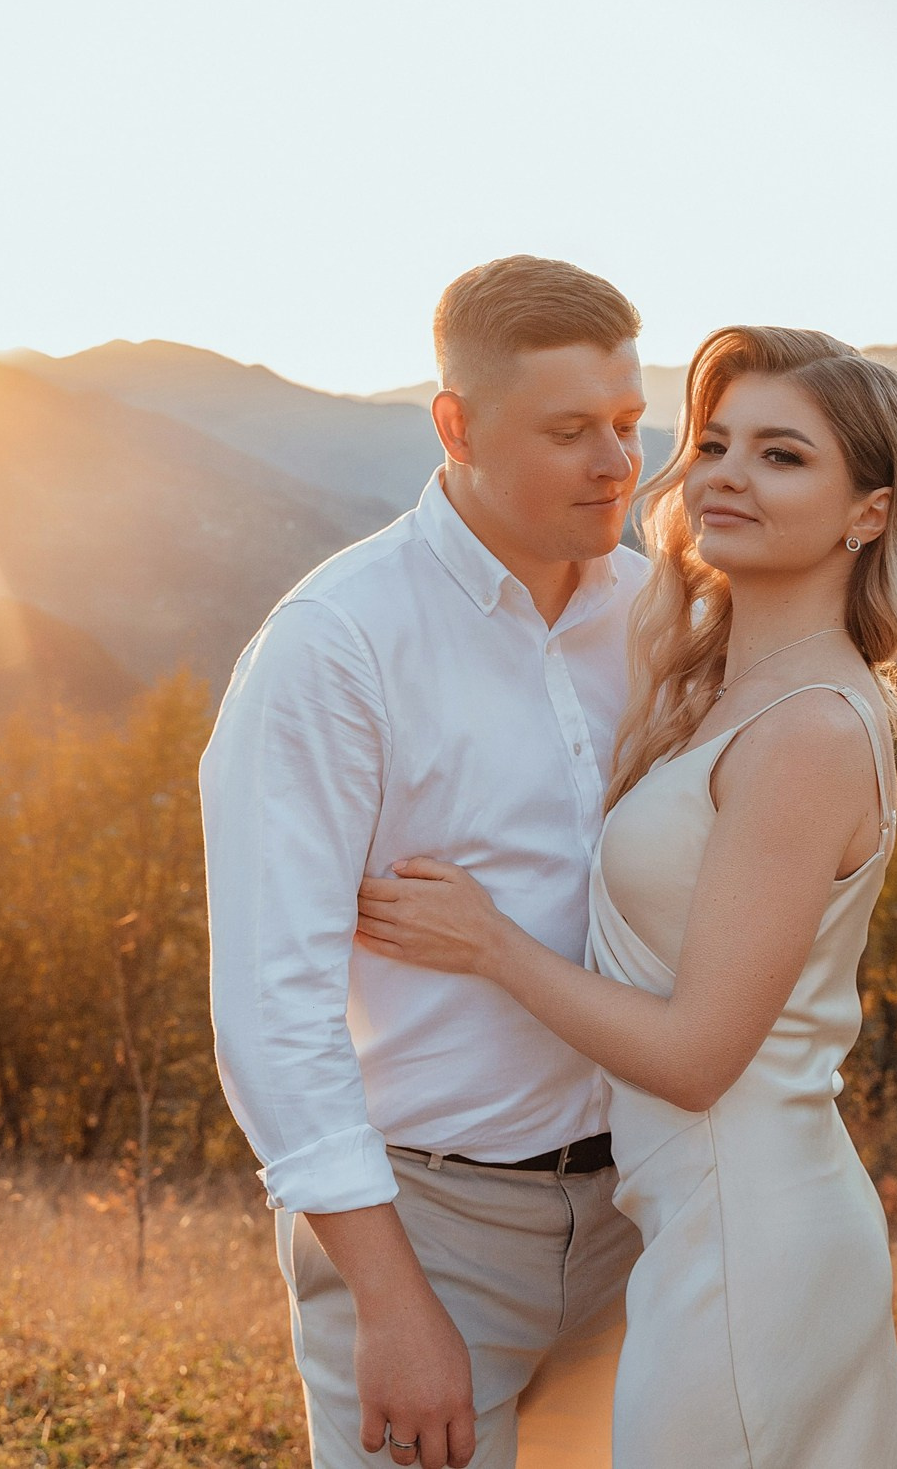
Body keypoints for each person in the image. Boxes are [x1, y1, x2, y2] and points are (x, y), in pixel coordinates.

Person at [357, 325, 897, 1466]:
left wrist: (489, 945)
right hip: (693, 1222)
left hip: (750, 1245)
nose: (726, 475)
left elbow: (694, 1056)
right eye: (714, 443)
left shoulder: (809, 731)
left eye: (783, 455)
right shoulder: (726, 683)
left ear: (868, 512)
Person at [201, 256, 651, 1469]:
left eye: (627, 421)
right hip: (428, 1229)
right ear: (456, 428)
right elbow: (272, 1009)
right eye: (568, 431)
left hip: (642, 1223)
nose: (616, 462)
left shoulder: (660, 617)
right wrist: (391, 1302)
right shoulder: (335, 647)